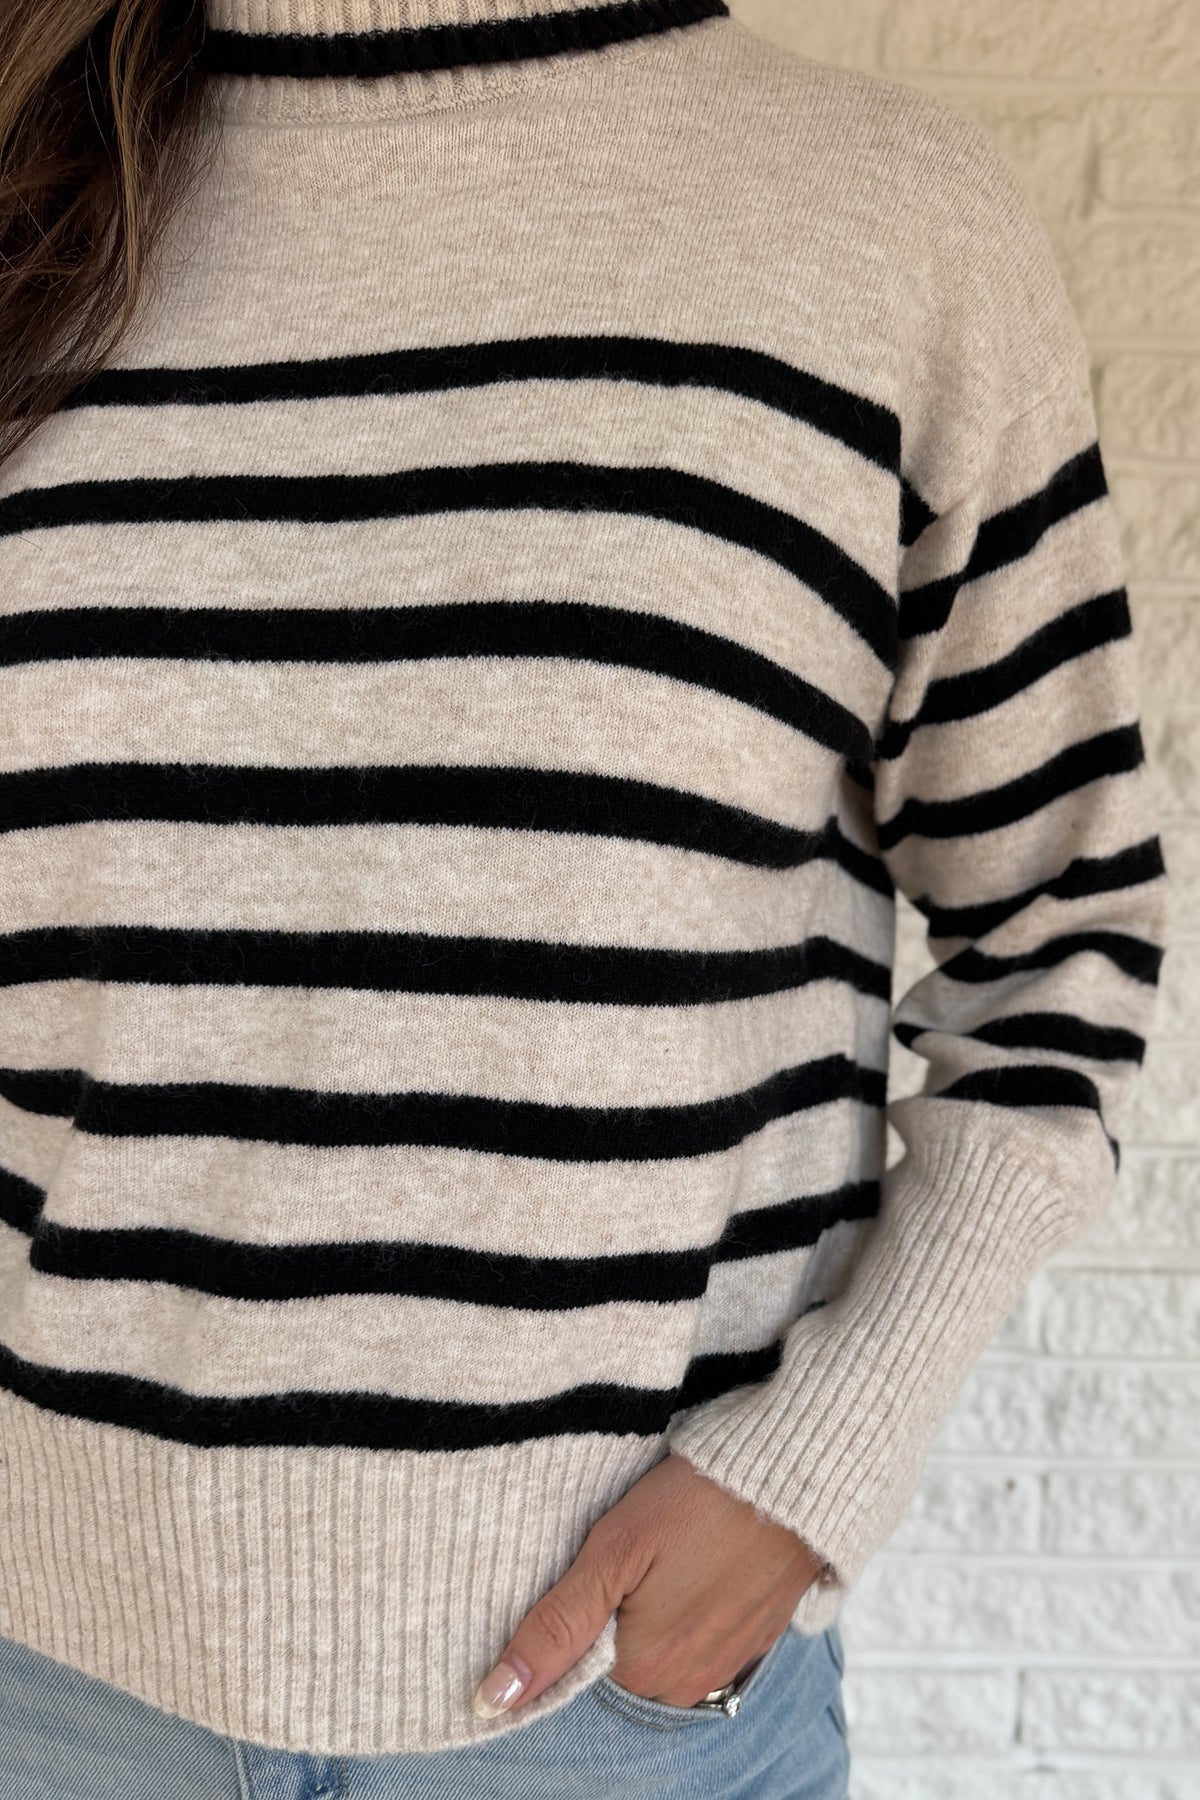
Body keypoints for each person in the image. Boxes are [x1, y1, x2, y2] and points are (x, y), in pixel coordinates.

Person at [0, 1, 1169, 1796]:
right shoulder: (33, 185)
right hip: (46, 1678)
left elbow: (1060, 924)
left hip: (609, 1715)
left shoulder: (882, 225)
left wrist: (820, 1459)